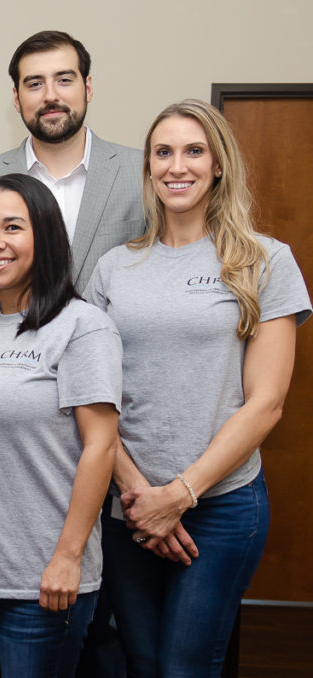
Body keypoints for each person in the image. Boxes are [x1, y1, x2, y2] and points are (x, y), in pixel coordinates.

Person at [85, 99, 311, 677]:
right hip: (127, 505)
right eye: (163, 152)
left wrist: (179, 496)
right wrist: (141, 501)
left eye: (193, 151)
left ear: (217, 165)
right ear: (149, 168)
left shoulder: (264, 261)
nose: (176, 165)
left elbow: (267, 403)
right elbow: (92, 396)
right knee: (140, 661)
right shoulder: (114, 268)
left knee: (186, 666)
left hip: (220, 505)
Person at [0, 173, 122, 677]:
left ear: (46, 237)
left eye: (13, 227)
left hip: (43, 577)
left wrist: (68, 558)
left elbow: (101, 448)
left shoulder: (81, 326)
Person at [0, 30, 144, 292]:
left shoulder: (143, 174)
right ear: (17, 99)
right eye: (35, 84)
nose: (50, 96)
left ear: (87, 88)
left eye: (64, 80)